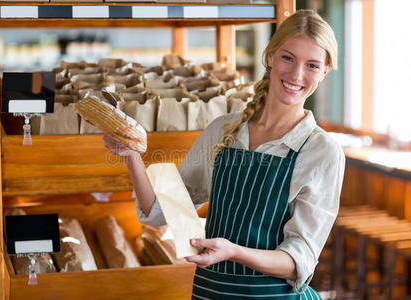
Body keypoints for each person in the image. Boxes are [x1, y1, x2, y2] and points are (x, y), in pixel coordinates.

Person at [104, 9, 345, 299]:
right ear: (270, 57)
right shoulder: (222, 131)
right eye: (288, 57)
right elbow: (160, 211)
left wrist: (234, 252)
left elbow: (298, 262)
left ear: (324, 73)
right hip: (211, 293)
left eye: (312, 65)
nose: (296, 74)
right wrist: (130, 152)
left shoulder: (322, 152)